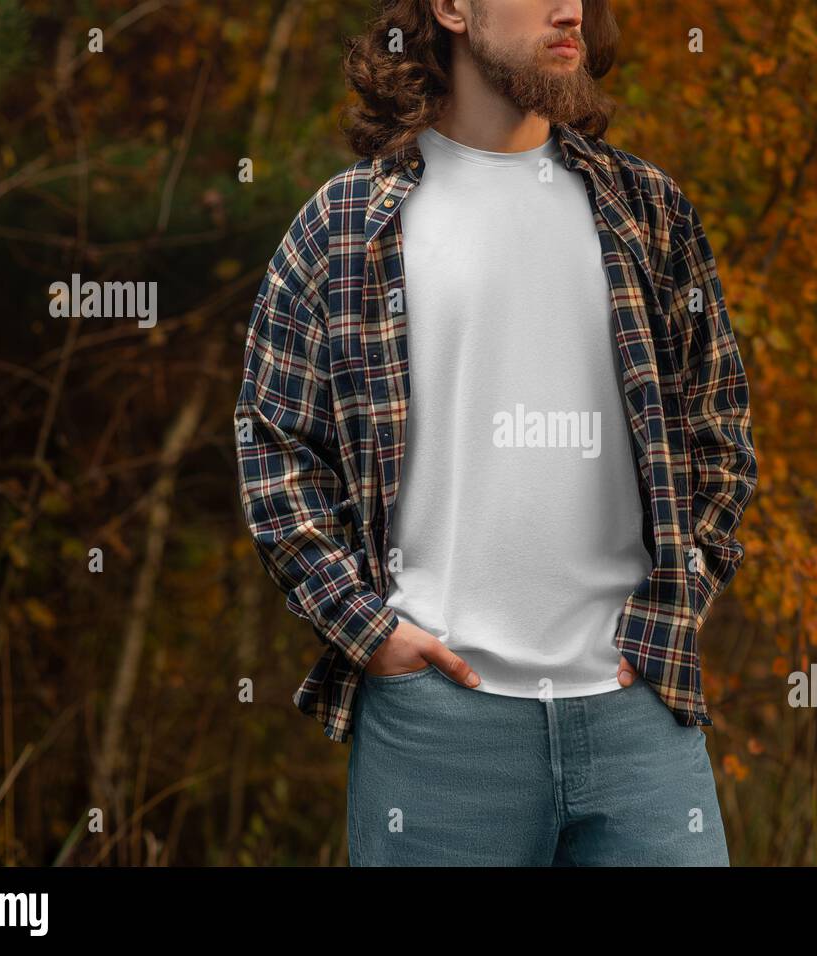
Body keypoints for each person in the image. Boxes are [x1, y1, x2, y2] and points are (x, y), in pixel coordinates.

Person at [233, 0, 758, 866]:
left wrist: (675, 607)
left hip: (639, 722)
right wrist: (369, 631)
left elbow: (720, 432)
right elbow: (275, 451)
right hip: (437, 733)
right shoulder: (344, 228)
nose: (570, 9)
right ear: (449, 10)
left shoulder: (646, 211)